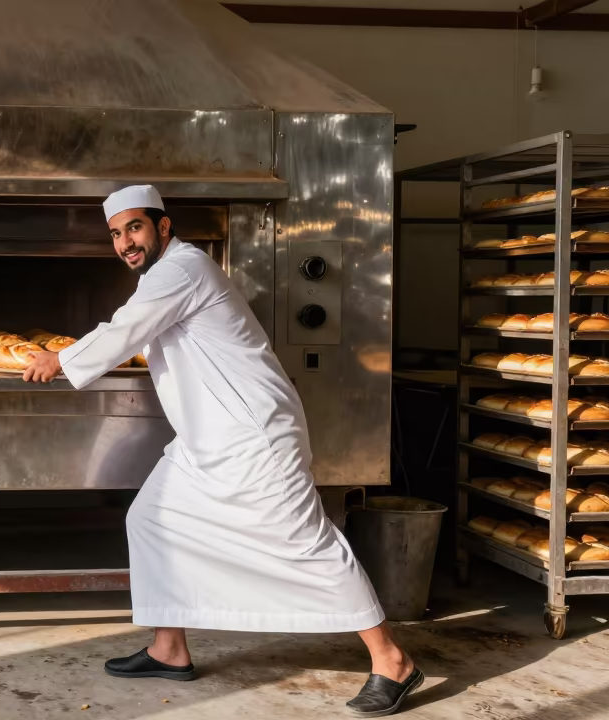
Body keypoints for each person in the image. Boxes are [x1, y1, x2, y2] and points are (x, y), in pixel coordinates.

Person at [22, 186, 423, 717]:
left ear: (164, 227)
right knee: (152, 520)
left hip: (256, 436)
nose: (126, 242)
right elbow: (139, 330)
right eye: (116, 234)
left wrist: (61, 358)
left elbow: (125, 329)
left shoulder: (181, 269)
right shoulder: (164, 278)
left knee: (306, 543)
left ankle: (392, 660)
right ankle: (168, 649)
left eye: (135, 228)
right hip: (205, 439)